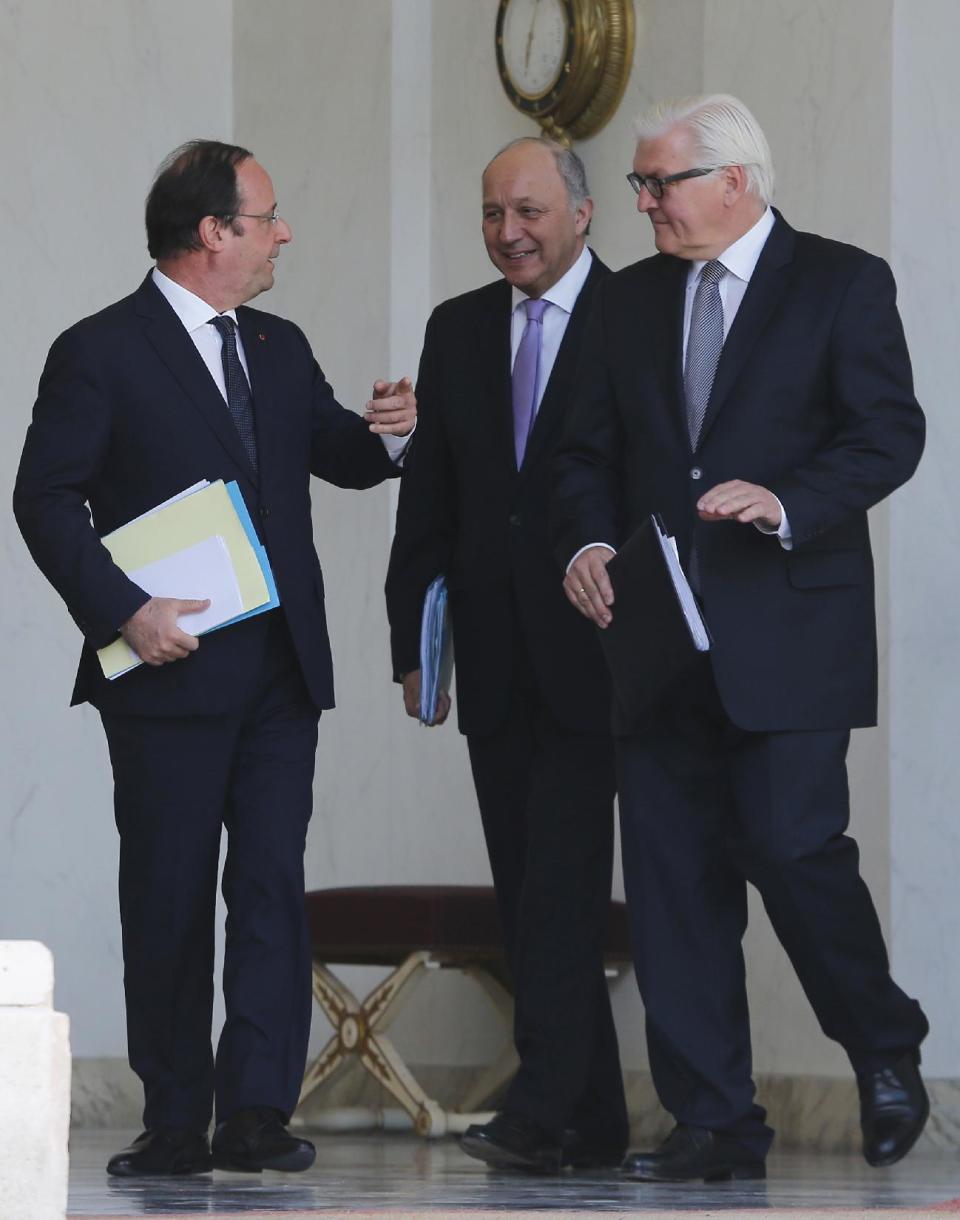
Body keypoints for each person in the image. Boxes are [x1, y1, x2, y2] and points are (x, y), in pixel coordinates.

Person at [13, 140, 416, 1177]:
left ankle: (256, 1112)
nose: (285, 233)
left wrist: (396, 437)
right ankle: (175, 1117)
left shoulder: (277, 345)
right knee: (170, 891)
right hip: (167, 669)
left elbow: (337, 448)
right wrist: (126, 610)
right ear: (213, 232)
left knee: (273, 888)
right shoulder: (99, 349)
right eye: (268, 216)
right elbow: (43, 498)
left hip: (282, 670)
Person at [555, 95, 929, 1183]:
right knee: (673, 881)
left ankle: (881, 1038)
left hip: (790, 630)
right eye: (638, 184)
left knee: (794, 851)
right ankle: (714, 1120)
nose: (641, 203)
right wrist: (583, 540)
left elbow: (888, 431)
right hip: (655, 636)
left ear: (735, 180)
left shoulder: (841, 281)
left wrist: (788, 499)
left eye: (656, 183)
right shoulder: (626, 304)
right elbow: (582, 451)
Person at [385, 137, 627, 1173]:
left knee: (563, 884)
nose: (508, 232)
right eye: (492, 214)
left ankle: (543, 1107)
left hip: (601, 648)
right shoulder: (457, 327)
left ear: (583, 213)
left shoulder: (637, 316)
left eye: (527, 211)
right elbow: (427, 500)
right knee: (529, 883)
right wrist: (413, 642)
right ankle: (598, 1114)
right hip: (490, 652)